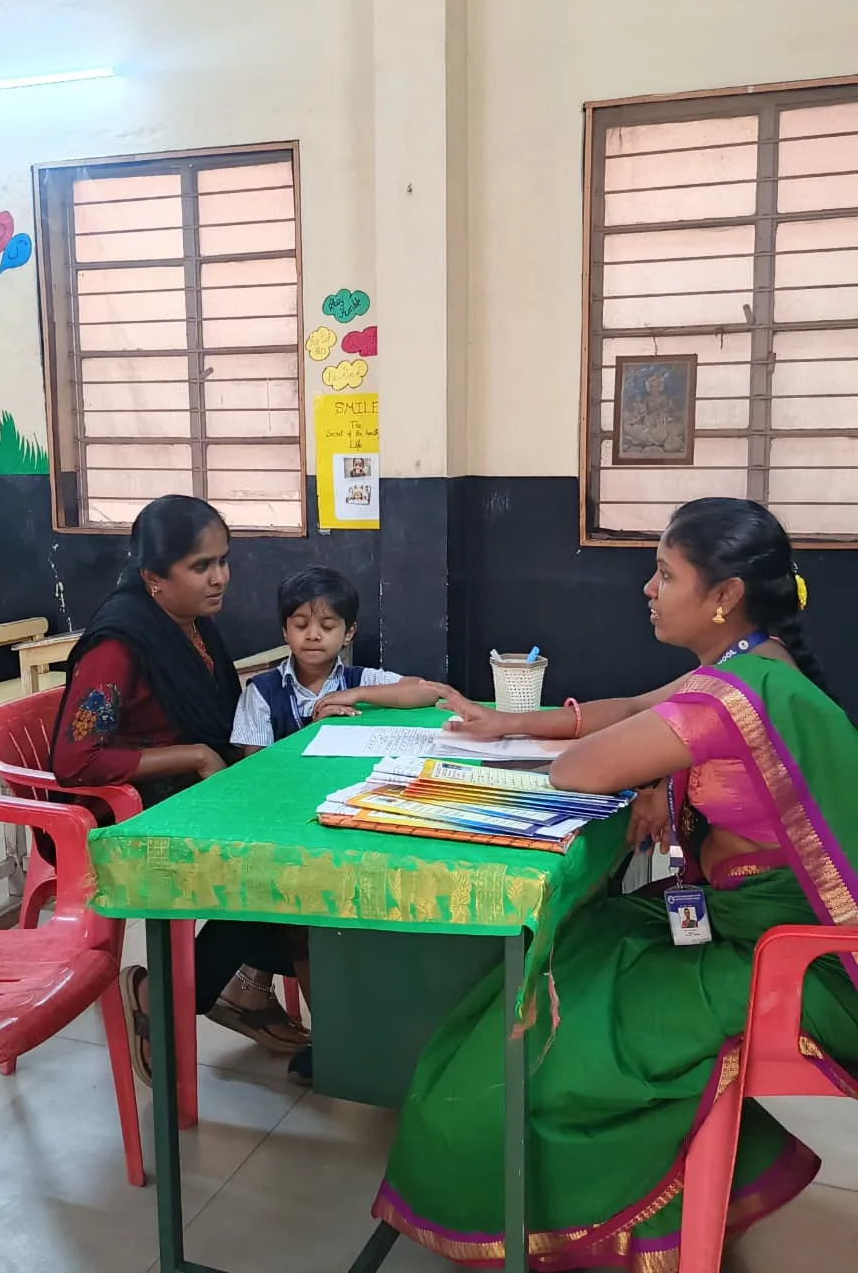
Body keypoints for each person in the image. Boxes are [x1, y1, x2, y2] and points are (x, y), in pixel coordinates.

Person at [374, 497, 858, 1269]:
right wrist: (508, 725)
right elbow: (634, 709)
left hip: (785, 961)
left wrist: (654, 770)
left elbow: (580, 769)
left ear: (725, 594)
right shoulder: (754, 665)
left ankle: (562, 1210)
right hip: (759, 928)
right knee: (578, 949)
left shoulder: (730, 696)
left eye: (665, 574)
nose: (648, 589)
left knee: (551, 1029)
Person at [50, 495, 309, 1086]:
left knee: (299, 830)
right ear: (153, 578)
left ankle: (243, 986)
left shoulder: (191, 626)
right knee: (269, 867)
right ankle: (159, 994)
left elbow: (220, 720)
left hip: (186, 791)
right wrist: (192, 755)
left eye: (223, 560)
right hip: (123, 811)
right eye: (201, 566)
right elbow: (75, 760)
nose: (220, 577)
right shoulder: (119, 644)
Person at [230, 565, 438, 753]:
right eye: (301, 625)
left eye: (327, 626)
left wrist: (358, 694)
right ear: (285, 631)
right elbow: (254, 765)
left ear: (348, 633)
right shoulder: (262, 692)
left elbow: (428, 692)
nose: (313, 635)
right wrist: (314, 731)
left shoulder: (359, 680)